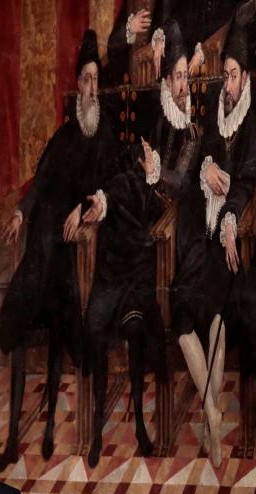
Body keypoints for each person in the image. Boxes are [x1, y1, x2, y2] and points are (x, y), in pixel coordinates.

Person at [0, 30, 115, 470]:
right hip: (46, 235)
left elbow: (110, 183)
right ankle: (12, 435)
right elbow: (42, 180)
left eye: (95, 81)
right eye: (84, 80)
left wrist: (84, 208)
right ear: (77, 85)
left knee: (62, 295)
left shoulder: (104, 136)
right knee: (30, 286)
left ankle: (48, 429)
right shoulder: (65, 135)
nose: (89, 88)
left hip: (77, 246)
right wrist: (21, 214)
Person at [83, 21, 199, 468]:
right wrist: (106, 198)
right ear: (167, 81)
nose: (185, 85)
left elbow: (182, 183)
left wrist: (156, 177)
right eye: (178, 78)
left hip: (163, 239)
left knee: (137, 326)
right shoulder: (152, 115)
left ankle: (142, 427)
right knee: (95, 326)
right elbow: (131, 166)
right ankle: (95, 430)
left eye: (188, 77)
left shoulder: (190, 132)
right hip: (129, 233)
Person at [171, 20, 256, 468]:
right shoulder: (213, 109)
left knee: (220, 303)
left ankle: (211, 418)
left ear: (245, 79)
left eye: (233, 75)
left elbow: (248, 182)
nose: (227, 83)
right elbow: (202, 155)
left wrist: (229, 216)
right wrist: (207, 166)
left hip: (231, 237)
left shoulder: (252, 122)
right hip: (201, 233)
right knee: (181, 307)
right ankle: (212, 410)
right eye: (224, 74)